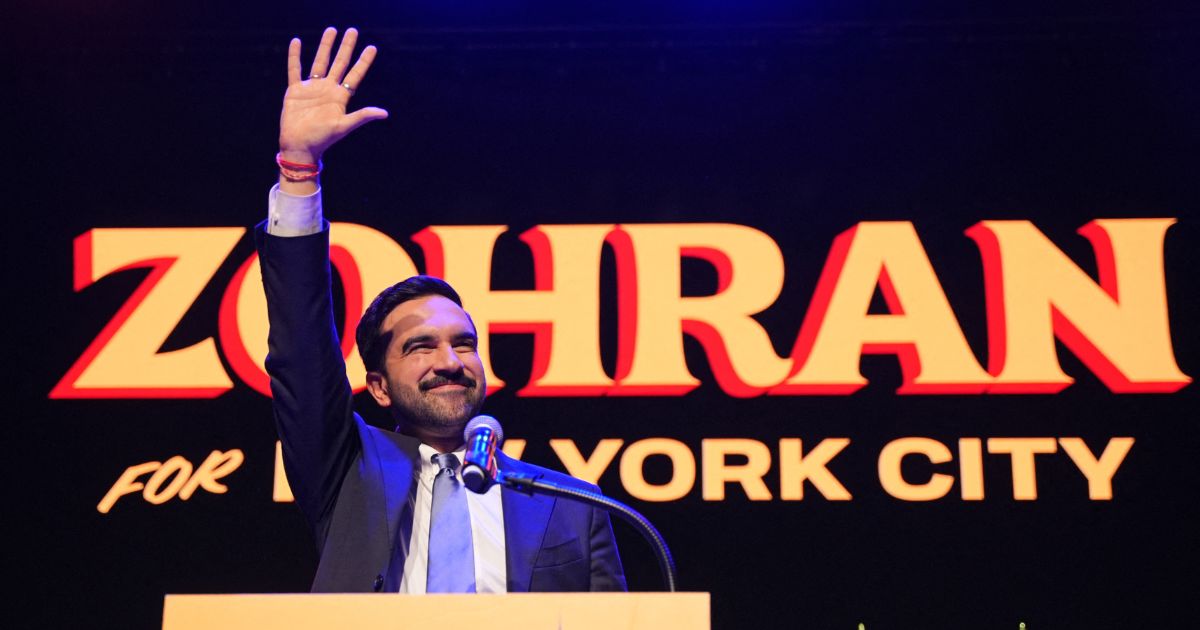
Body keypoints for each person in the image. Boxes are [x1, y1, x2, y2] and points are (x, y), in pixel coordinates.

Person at [258, 26, 627, 593]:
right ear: (379, 387)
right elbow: (301, 352)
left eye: (463, 343)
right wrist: (300, 170)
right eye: (420, 346)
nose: (450, 361)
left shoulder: (572, 504)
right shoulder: (348, 470)